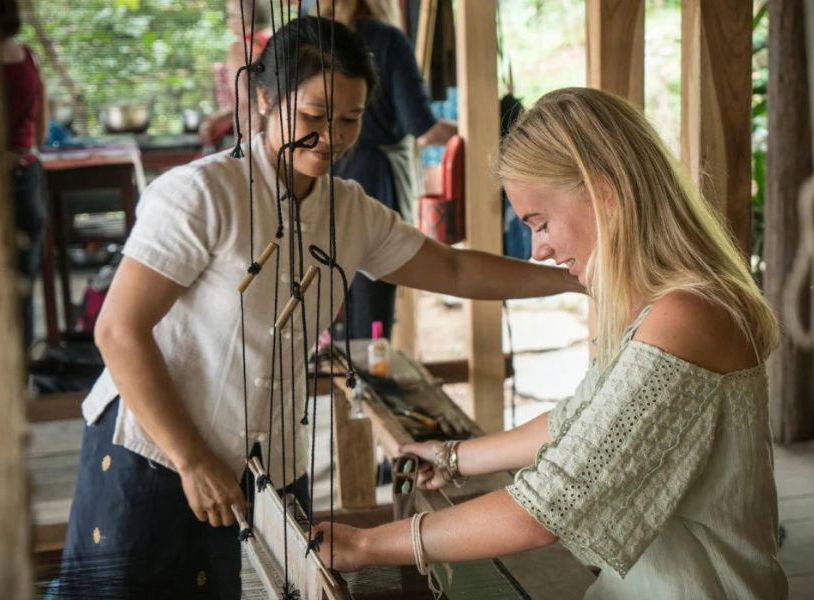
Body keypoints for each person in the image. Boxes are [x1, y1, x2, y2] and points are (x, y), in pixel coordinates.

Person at [57, 17, 578, 598]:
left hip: (262, 458)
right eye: (313, 117)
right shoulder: (201, 194)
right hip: (156, 449)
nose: (332, 136)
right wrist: (191, 458)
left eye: (350, 119)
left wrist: (578, 279)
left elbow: (453, 269)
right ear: (262, 99)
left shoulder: (348, 209)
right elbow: (119, 332)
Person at [315, 87, 789, 599]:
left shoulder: (687, 316)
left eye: (540, 224)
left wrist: (368, 547)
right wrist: (454, 457)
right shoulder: (666, 307)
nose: (539, 249)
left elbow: (547, 506)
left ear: (603, 193)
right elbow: (578, 420)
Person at [320, 0, 457, 340]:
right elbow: (422, 128)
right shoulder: (386, 40)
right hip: (373, 179)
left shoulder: (317, 41)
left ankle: (347, 380)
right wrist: (474, 128)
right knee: (372, 298)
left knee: (331, 292)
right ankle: (367, 381)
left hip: (324, 174)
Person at [0, 0, 49, 351]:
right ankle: (22, 383)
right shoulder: (28, 57)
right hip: (26, 179)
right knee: (22, 291)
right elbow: (40, 135)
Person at [198, 0, 273, 148]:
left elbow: (244, 102)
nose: (228, 21)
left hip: (257, 134)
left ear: (244, 18)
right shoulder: (279, 41)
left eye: (231, 15)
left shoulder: (240, 49)